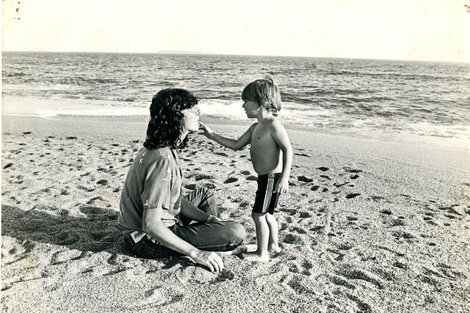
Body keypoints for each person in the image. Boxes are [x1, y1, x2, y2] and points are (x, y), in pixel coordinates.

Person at [119, 88, 246, 272]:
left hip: (162, 222)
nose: (198, 112)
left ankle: (213, 240)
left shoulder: (166, 148)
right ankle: (211, 247)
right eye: (191, 109)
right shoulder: (162, 159)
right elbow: (150, 224)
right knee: (236, 232)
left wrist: (210, 219)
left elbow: (175, 198)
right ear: (175, 116)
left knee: (205, 193)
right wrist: (196, 253)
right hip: (144, 239)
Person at [200, 76, 293, 262]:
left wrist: (285, 178)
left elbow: (288, 149)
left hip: (272, 177)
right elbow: (235, 144)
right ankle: (273, 244)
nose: (243, 106)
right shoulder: (255, 127)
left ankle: (262, 253)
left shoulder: (273, 125)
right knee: (268, 214)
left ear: (260, 103)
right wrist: (212, 135)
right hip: (264, 178)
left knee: (258, 214)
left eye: (246, 101)